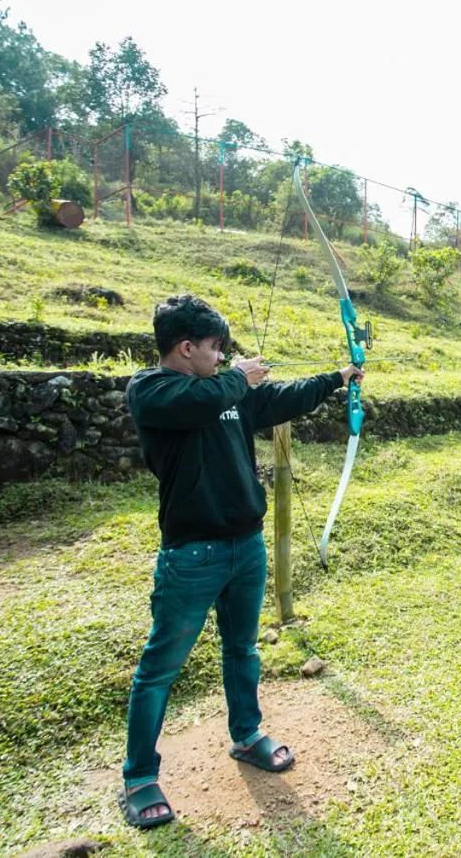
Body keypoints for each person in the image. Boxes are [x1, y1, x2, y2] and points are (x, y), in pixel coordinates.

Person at [117, 294, 364, 829]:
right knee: (161, 667)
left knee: (242, 648)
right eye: (215, 349)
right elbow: (210, 397)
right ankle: (139, 776)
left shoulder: (227, 393)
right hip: (192, 554)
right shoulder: (153, 390)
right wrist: (239, 376)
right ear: (186, 349)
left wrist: (340, 376)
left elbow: (281, 397)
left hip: (245, 546)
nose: (223, 357)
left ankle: (247, 735)